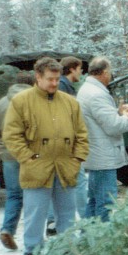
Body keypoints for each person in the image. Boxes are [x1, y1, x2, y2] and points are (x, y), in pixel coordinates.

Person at [3, 57, 89, 255]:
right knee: (35, 214)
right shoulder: (21, 101)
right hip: (36, 169)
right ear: (38, 77)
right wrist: (29, 159)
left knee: (67, 214)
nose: (54, 83)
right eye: (50, 79)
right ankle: (33, 251)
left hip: (66, 168)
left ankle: (67, 249)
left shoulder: (70, 102)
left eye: (57, 79)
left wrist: (77, 159)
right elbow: (11, 135)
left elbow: (82, 134)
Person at [77, 56, 128, 222]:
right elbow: (113, 126)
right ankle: (102, 239)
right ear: (105, 72)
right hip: (103, 157)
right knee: (106, 203)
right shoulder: (97, 94)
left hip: (95, 156)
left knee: (93, 202)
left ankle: (87, 238)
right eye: (110, 72)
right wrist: (127, 117)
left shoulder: (86, 90)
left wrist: (117, 112)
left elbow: (100, 120)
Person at [0, 72, 34, 250]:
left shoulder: (0, 103)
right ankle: (35, 234)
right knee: (36, 194)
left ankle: (8, 229)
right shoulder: (35, 101)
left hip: (8, 155)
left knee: (14, 195)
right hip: (31, 155)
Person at [46, 56, 88, 233]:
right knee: (79, 181)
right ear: (72, 69)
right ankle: (87, 222)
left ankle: (51, 222)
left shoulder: (62, 86)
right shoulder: (63, 87)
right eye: (79, 69)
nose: (81, 72)